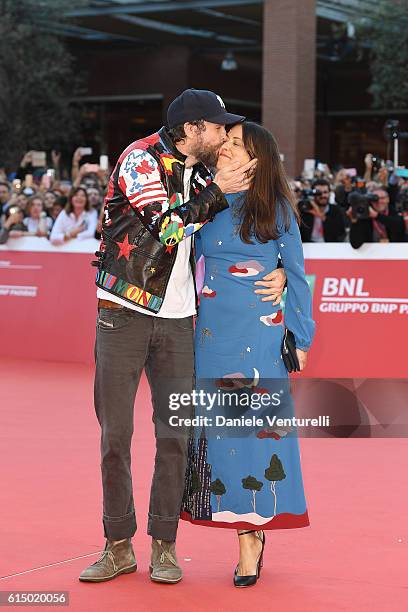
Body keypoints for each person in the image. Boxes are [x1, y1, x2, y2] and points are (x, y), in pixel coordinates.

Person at [79, 89, 286, 585]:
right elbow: (168, 228)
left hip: (179, 319)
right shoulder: (139, 158)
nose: (223, 136)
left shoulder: (206, 172)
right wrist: (216, 190)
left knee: (175, 436)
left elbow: (255, 227)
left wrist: (280, 269)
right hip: (123, 312)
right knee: (116, 437)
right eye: (217, 128)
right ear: (193, 129)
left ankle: (165, 544)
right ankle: (118, 544)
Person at [181, 121, 315, 587]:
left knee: (257, 436)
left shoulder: (276, 209)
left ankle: (249, 540)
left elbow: (298, 275)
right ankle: (243, 529)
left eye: (235, 144)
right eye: (226, 140)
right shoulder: (204, 198)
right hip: (211, 338)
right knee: (221, 437)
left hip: (259, 340)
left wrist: (300, 336)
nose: (224, 147)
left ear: (257, 160)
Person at [299, 178, 346, 242]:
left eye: (325, 192)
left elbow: (339, 234)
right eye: (319, 193)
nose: (323, 195)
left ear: (330, 193)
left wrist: (320, 215)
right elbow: (301, 234)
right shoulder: (305, 210)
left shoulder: (336, 210)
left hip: (329, 247)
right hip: (308, 247)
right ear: (313, 194)